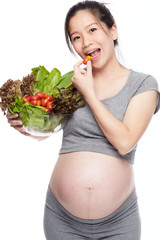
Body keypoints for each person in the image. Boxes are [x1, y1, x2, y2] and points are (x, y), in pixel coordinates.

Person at [7, 1, 160, 239]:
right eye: (76, 37)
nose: (86, 42)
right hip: (62, 219)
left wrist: (89, 93)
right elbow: (47, 128)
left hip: (119, 222)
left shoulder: (143, 85)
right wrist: (25, 123)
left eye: (92, 30)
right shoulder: (71, 83)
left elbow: (125, 141)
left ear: (112, 30)